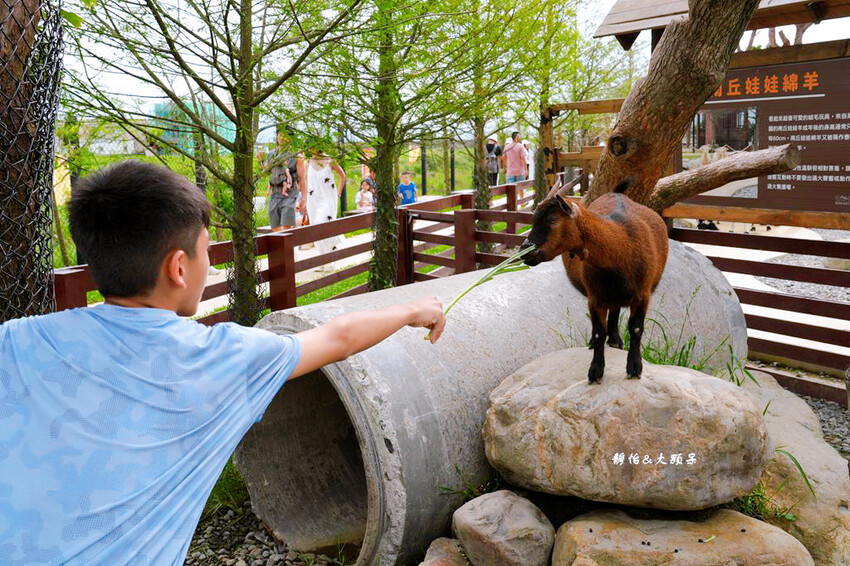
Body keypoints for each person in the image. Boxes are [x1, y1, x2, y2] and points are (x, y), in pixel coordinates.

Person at [0, 160, 446, 565]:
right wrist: (412, 310)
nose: (208, 262)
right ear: (179, 267)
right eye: (206, 250)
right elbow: (339, 338)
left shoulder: (17, 339)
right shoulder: (216, 359)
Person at [304, 152, 346, 269]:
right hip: (313, 201)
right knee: (316, 229)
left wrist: (338, 193)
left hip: (328, 199)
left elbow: (342, 175)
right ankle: (323, 259)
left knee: (322, 223)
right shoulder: (308, 162)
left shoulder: (330, 160)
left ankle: (330, 257)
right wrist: (304, 200)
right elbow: (306, 181)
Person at [259, 129, 306, 232]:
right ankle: (286, 244)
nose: (282, 138)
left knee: (286, 224)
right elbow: (266, 172)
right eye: (280, 134)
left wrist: (304, 198)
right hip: (275, 191)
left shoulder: (296, 155)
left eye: (285, 135)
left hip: (290, 191)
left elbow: (302, 178)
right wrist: (261, 161)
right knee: (274, 224)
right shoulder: (272, 154)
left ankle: (289, 245)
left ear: (290, 138)